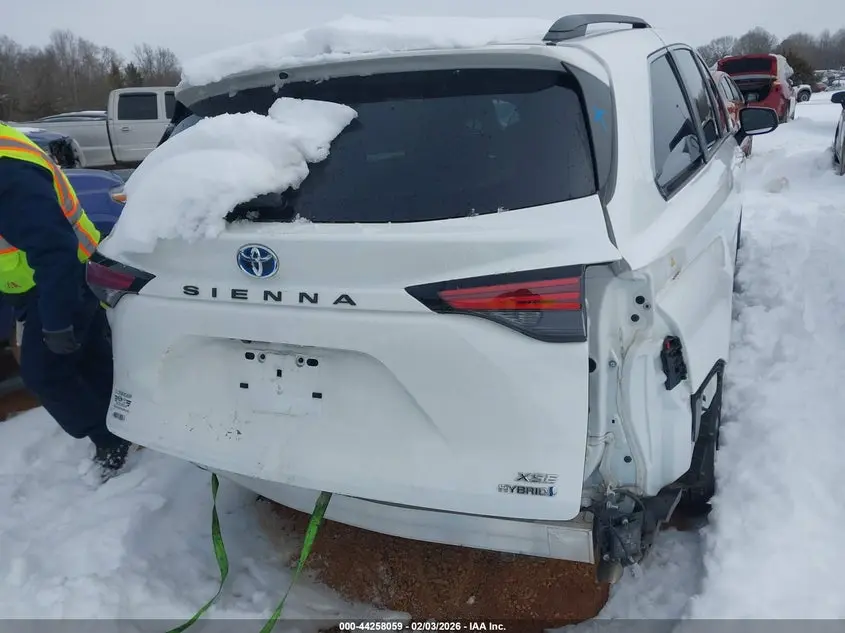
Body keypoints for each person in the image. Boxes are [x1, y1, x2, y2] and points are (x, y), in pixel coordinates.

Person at [0, 122, 132, 480]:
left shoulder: (8, 171)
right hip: (54, 277)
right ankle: (122, 422)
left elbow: (53, 249)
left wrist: (56, 320)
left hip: (59, 280)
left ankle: (109, 439)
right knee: (90, 357)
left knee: (46, 374)